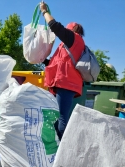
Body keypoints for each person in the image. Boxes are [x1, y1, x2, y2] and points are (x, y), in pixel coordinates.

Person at [40, 2, 85, 140]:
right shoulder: (69, 46)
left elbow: (54, 26)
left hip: (67, 84)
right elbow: (57, 64)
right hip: (62, 83)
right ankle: (55, 144)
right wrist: (42, 60)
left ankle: (63, 150)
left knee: (61, 117)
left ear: (72, 30)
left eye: (67, 30)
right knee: (55, 115)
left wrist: (44, 12)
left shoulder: (74, 39)